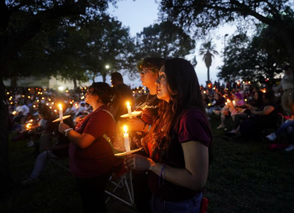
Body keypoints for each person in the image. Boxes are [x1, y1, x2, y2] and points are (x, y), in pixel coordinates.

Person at [126, 58, 213, 212]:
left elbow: (196, 179)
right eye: (158, 76)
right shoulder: (168, 112)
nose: (157, 81)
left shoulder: (190, 119)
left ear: (178, 82)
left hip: (178, 205)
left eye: (163, 76)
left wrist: (150, 165)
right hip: (160, 199)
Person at [58, 82, 118, 213]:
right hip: (88, 169)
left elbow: (84, 142)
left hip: (94, 169)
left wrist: (66, 130)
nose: (86, 93)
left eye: (89, 91)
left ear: (97, 95)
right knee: (90, 203)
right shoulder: (96, 113)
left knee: (93, 205)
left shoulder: (101, 115)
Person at [126, 57, 164, 213]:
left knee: (151, 198)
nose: (141, 74)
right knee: (140, 199)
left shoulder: (164, 100)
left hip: (154, 157)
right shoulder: (142, 98)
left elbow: (166, 131)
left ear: (158, 73)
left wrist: (143, 126)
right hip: (137, 152)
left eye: (145, 71)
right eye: (140, 71)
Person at [21, 105, 74, 186]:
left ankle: (33, 177)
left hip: (62, 152)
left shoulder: (66, 132)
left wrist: (50, 148)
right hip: (63, 151)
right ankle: (38, 173)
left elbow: (66, 144)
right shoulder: (68, 130)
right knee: (43, 154)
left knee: (41, 156)